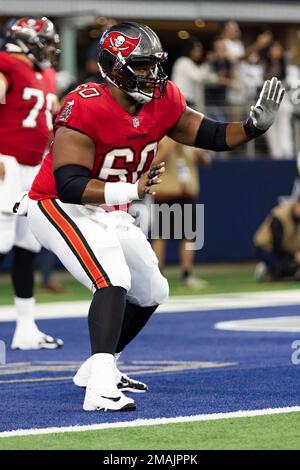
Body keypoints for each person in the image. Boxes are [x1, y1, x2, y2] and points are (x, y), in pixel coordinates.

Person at [25, 22, 284, 412]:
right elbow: (69, 185)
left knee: (151, 291)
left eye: (154, 65)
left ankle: (99, 366)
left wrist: (250, 128)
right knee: (112, 278)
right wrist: (132, 190)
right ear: (114, 68)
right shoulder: (85, 104)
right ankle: (99, 390)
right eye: (142, 66)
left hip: (109, 207)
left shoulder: (163, 100)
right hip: (57, 206)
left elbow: (208, 134)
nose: (152, 75)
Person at [0, 17, 63, 350]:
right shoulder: (6, 65)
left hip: (33, 168)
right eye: (47, 42)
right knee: (1, 245)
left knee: (29, 247)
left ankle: (26, 329)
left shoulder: (46, 74)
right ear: (28, 40)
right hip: (5, 165)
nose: (51, 49)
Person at [152, 136, 211, 288]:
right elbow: (152, 163)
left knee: (189, 235)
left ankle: (187, 275)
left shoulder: (189, 138)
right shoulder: (161, 138)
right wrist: (170, 145)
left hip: (187, 191)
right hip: (166, 191)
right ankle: (157, 276)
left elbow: (206, 162)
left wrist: (199, 154)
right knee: (162, 234)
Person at [254, 198, 300, 282]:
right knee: (279, 269)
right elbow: (277, 245)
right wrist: (293, 255)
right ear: (296, 204)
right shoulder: (279, 216)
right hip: (266, 248)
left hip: (287, 251)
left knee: (290, 267)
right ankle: (265, 269)